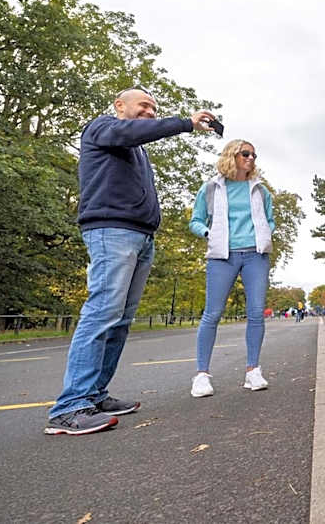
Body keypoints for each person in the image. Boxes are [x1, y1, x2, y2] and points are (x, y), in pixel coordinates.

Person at [44, 87, 215, 435]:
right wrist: (185, 123)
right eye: (144, 105)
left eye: (154, 108)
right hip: (112, 231)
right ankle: (69, 407)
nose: (150, 112)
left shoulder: (134, 149)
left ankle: (94, 394)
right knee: (102, 312)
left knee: (120, 320)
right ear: (120, 106)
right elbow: (131, 131)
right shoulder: (104, 127)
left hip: (139, 236)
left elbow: (137, 138)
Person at [188, 140, 275, 398]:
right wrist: (208, 233)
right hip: (221, 256)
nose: (251, 158)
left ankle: (253, 371)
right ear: (231, 155)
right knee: (212, 314)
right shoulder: (211, 189)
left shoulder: (261, 191)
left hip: (255, 256)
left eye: (254, 155)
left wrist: (267, 234)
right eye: (245, 153)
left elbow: (270, 220)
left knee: (257, 312)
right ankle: (201, 375)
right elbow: (196, 220)